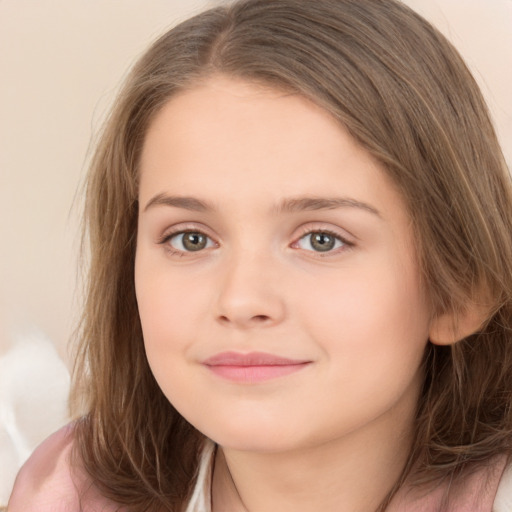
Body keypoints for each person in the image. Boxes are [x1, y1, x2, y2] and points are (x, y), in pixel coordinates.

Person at [8, 0, 512, 510]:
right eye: (191, 238)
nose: (242, 300)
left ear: (462, 287)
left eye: (322, 239)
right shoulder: (60, 493)